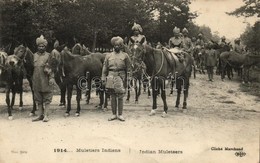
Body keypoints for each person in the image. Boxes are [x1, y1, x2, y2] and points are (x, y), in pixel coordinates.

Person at [102, 36, 132, 121]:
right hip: (111, 76)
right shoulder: (108, 56)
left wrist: (128, 78)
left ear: (121, 46)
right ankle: (114, 114)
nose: (117, 47)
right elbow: (105, 68)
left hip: (120, 76)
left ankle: (120, 114)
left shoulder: (125, 55)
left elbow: (129, 68)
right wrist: (103, 78)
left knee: (120, 96)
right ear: (113, 46)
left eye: (119, 45)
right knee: (112, 96)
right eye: (115, 45)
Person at [32, 35, 55, 122]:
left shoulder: (49, 56)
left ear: (45, 47)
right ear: (37, 47)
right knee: (38, 99)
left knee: (47, 98)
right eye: (39, 46)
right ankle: (39, 115)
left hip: (46, 79)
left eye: (43, 46)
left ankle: (46, 116)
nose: (41, 47)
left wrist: (51, 78)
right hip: (36, 80)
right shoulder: (34, 56)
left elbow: (52, 68)